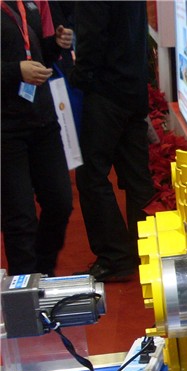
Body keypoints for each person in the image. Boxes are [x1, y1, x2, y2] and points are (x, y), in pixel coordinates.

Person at [70, 0, 154, 282]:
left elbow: (92, 38)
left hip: (106, 92)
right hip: (133, 89)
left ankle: (115, 256)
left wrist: (78, 78)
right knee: (137, 177)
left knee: (91, 176)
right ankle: (146, 250)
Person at [1, 0, 74, 276]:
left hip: (42, 120)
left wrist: (56, 44)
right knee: (20, 217)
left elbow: (39, 55)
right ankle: (25, 287)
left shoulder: (30, 2)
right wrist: (16, 71)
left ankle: (42, 272)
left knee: (60, 202)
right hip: (6, 129)